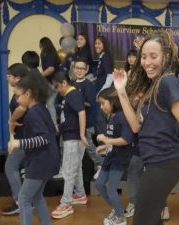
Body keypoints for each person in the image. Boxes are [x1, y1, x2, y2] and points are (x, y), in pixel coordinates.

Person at [113, 31, 179, 225]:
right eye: (144, 56)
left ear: (165, 57)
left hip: (165, 164)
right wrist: (121, 91)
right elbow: (135, 126)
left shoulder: (167, 81)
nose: (147, 62)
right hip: (154, 163)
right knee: (151, 219)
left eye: (153, 56)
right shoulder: (153, 87)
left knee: (141, 220)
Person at [8, 70, 60, 225]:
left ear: (28, 93)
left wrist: (19, 143)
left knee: (24, 198)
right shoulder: (40, 109)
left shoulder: (34, 113)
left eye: (18, 96)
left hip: (40, 162)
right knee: (36, 197)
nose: (17, 100)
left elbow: (43, 138)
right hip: (46, 161)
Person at [51, 71, 88, 219]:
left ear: (64, 83)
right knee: (76, 167)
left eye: (57, 86)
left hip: (73, 138)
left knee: (68, 171)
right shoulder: (68, 96)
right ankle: (80, 194)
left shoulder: (73, 95)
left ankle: (66, 203)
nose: (56, 89)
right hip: (69, 137)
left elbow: (82, 114)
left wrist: (81, 134)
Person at [95, 87, 134, 225]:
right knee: (99, 184)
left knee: (111, 189)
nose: (101, 107)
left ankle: (120, 218)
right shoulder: (111, 116)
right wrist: (105, 146)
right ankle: (117, 209)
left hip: (120, 158)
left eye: (103, 103)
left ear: (112, 101)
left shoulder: (122, 116)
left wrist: (106, 140)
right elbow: (114, 138)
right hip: (111, 156)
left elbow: (126, 139)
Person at [2, 63, 28, 216]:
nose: (7, 77)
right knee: (15, 168)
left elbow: (22, 108)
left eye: (9, 75)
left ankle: (20, 202)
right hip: (21, 136)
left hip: (25, 138)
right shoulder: (19, 89)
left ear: (17, 78)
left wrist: (11, 121)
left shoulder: (23, 90)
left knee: (10, 167)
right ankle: (23, 200)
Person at [73, 58, 103, 179]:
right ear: (74, 69)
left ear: (86, 70)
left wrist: (74, 101)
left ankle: (101, 164)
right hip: (75, 122)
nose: (79, 70)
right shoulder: (73, 83)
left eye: (82, 68)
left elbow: (90, 103)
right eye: (77, 68)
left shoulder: (88, 85)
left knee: (89, 146)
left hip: (87, 121)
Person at [94, 35, 114, 137]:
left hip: (104, 94)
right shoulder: (102, 57)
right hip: (101, 92)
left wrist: (101, 93)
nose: (96, 46)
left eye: (99, 43)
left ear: (104, 45)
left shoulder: (105, 56)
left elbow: (110, 76)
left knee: (101, 119)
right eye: (95, 43)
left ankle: (106, 145)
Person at [39, 37, 61, 129]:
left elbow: (50, 69)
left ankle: (48, 124)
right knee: (50, 104)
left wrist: (39, 75)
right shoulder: (53, 53)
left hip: (50, 83)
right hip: (56, 83)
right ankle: (54, 125)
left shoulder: (48, 54)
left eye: (40, 46)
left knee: (41, 103)